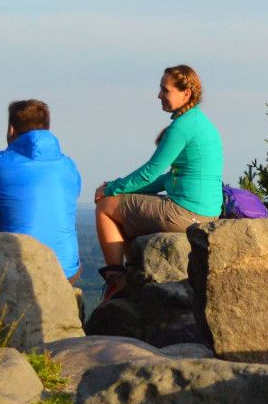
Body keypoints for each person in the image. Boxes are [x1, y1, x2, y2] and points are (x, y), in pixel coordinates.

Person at [94, 64, 224, 298]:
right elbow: (165, 179)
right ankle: (133, 272)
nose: (159, 95)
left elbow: (151, 172)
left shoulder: (182, 127)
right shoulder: (200, 123)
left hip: (185, 213)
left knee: (105, 207)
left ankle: (116, 280)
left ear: (186, 93)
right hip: (207, 214)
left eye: (165, 90)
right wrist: (118, 188)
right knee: (125, 204)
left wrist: (111, 189)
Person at [0, 99, 84, 282]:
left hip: (16, 268)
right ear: (47, 128)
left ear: (11, 129)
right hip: (67, 272)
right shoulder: (69, 166)